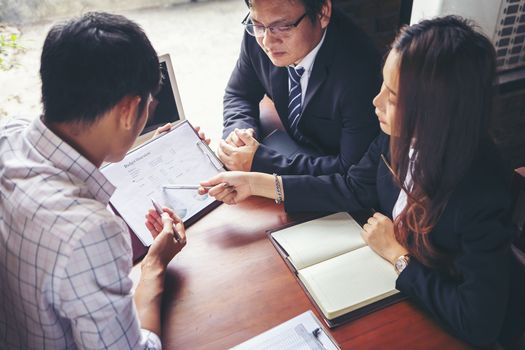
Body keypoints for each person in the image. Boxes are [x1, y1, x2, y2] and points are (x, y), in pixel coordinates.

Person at [201, 16, 525, 347]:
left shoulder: (479, 192)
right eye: (382, 86)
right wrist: (256, 184)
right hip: (400, 296)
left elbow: (477, 322)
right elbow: (353, 186)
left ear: (436, 110)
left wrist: (399, 256)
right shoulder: (398, 135)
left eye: (393, 97)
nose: (376, 102)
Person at [0, 12, 186, 349]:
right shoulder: (91, 232)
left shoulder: (8, 136)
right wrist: (155, 267)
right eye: (149, 105)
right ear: (129, 111)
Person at [219, 0, 380, 175]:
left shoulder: (360, 72)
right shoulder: (259, 34)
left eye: (282, 26)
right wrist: (240, 134)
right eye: (258, 25)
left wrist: (261, 162)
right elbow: (239, 94)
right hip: (288, 146)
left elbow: (352, 169)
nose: (267, 41)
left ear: (322, 13)